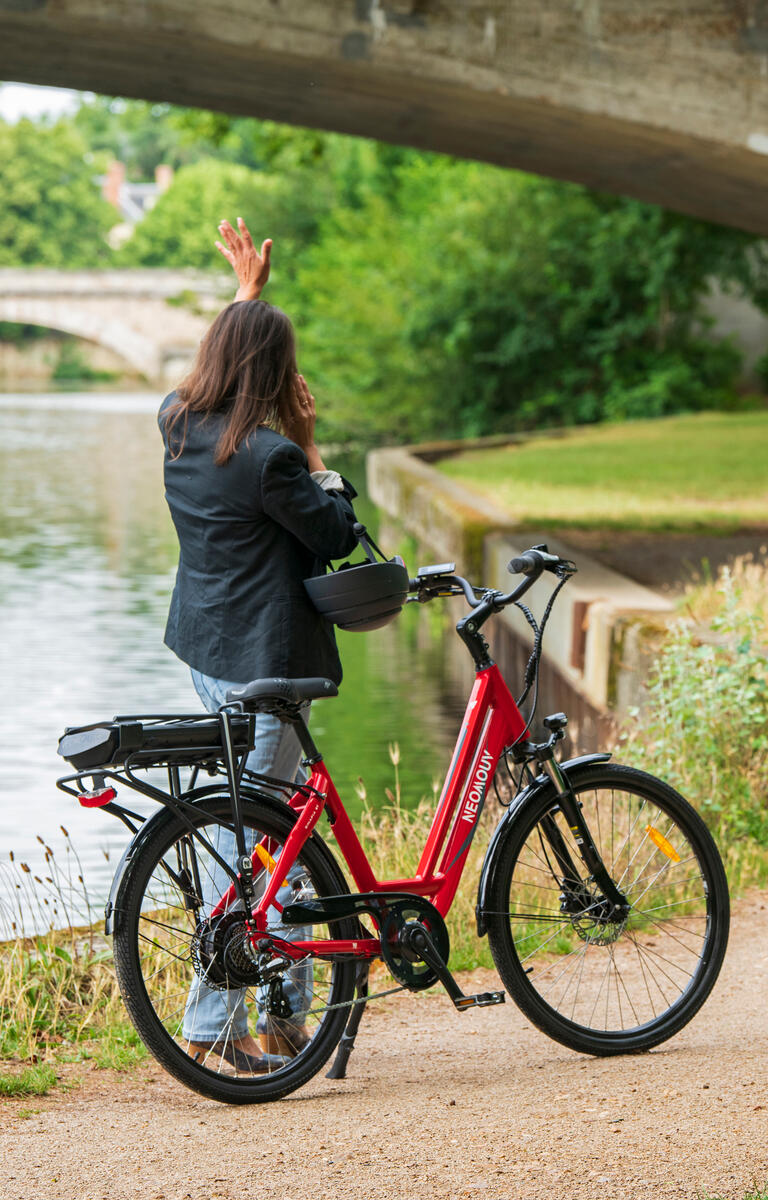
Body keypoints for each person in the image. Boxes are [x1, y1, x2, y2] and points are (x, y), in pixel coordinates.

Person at [159, 219, 360, 1073]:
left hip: (208, 656)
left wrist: (246, 298)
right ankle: (215, 1023)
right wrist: (314, 444)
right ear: (279, 378)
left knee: (269, 836)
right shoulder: (275, 459)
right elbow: (341, 532)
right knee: (257, 849)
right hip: (268, 668)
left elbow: (218, 372)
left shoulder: (175, 423)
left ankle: (283, 1015)